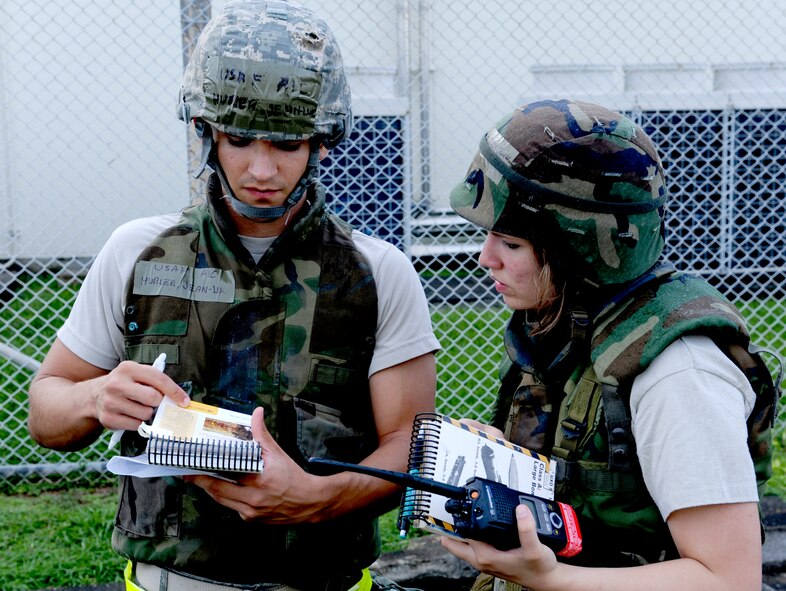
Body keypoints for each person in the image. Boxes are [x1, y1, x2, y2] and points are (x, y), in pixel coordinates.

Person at [27, 2, 439, 590]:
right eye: (240, 138)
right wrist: (96, 397)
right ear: (207, 132)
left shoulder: (377, 273)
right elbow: (46, 410)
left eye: (287, 143)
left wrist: (318, 499)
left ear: (322, 143)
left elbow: (409, 444)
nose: (262, 168)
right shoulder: (138, 254)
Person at [440, 99, 779, 591]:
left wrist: (552, 579)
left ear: (580, 249)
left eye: (510, 243)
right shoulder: (568, 327)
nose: (483, 257)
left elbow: (728, 578)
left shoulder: (679, 375)